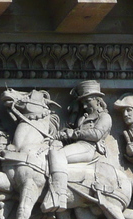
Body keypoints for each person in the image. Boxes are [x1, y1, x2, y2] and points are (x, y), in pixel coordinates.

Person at [47, 80, 112, 210]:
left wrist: (75, 133)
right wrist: (65, 135)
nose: (85, 105)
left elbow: (96, 134)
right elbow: (75, 136)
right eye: (83, 103)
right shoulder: (83, 118)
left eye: (87, 101)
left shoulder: (105, 117)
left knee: (57, 154)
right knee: (53, 148)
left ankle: (59, 195)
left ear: (98, 101)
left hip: (89, 148)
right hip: (80, 146)